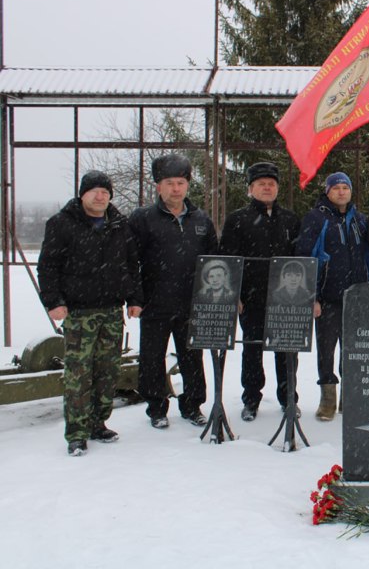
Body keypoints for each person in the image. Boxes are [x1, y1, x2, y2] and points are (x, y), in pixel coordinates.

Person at [37, 171, 142, 456]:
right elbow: (47, 266)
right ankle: (77, 432)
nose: (100, 197)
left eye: (105, 192)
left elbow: (131, 265)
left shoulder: (119, 225)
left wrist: (134, 298)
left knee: (107, 372)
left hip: (111, 310)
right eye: (95, 191)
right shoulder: (62, 224)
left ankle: (98, 422)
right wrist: (53, 301)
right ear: (82, 194)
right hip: (80, 311)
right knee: (79, 374)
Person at [130, 154, 217, 429]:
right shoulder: (143, 219)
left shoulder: (200, 219)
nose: (176, 188)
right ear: (159, 187)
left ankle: (192, 405)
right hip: (155, 302)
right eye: (169, 183)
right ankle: (156, 407)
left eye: (181, 182)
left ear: (188, 185)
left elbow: (215, 260)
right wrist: (135, 298)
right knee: (152, 358)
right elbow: (131, 261)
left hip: (192, 303)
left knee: (192, 356)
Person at [219, 162, 303, 421]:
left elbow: (300, 259)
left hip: (285, 299)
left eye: (271, 184)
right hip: (252, 298)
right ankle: (251, 399)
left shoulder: (290, 219)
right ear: (250, 188)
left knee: (286, 351)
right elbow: (228, 260)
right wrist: (236, 295)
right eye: (261, 184)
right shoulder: (237, 220)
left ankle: (289, 398)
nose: (267, 188)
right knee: (252, 350)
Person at [294, 171, 369, 421]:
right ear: (328, 191)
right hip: (327, 297)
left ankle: (348, 397)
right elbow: (306, 257)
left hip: (357, 297)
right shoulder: (316, 218)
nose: (341, 191)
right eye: (336, 187)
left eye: (345, 187)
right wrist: (313, 296)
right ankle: (327, 397)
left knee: (353, 350)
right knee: (326, 349)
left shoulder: (359, 219)